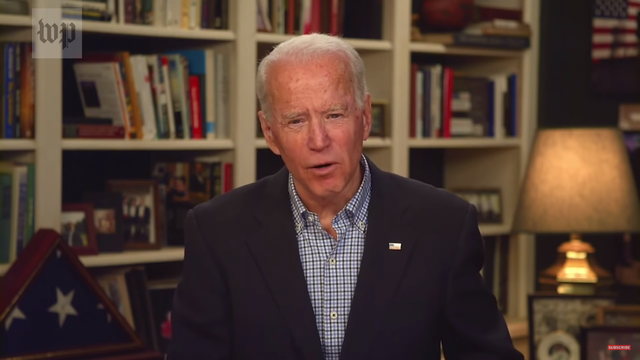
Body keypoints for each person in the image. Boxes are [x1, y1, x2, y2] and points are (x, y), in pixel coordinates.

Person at [167, 33, 523, 360]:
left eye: (334, 115)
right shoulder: (217, 231)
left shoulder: (442, 224)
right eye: (295, 121)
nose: (318, 140)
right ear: (270, 133)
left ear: (365, 118)